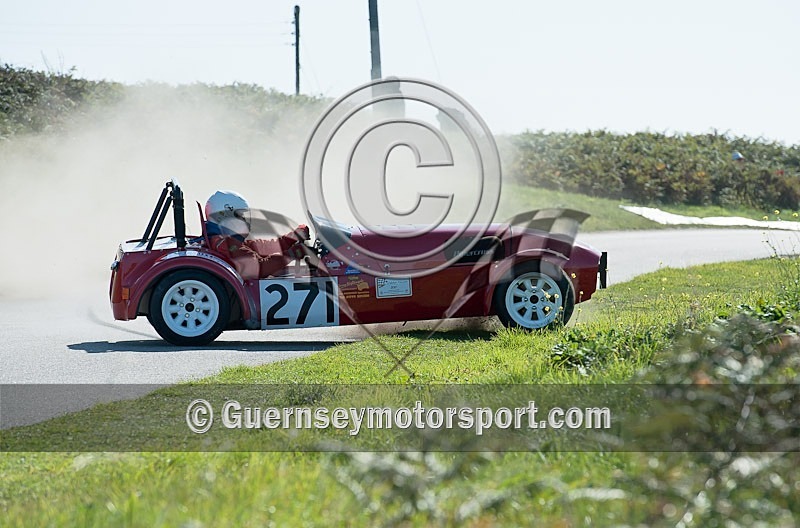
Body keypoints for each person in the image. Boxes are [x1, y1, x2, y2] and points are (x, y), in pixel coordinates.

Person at [204, 190, 309, 278]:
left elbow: (261, 247)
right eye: (241, 216)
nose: (245, 220)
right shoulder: (227, 244)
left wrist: (292, 237)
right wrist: (292, 254)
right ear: (223, 217)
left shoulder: (221, 241)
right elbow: (261, 268)